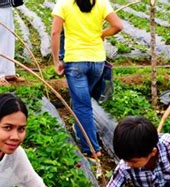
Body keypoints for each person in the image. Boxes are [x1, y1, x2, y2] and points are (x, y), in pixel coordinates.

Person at [51, 0, 122, 157]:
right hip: (97, 62)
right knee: (83, 101)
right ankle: (80, 131)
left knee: (82, 105)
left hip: (75, 62)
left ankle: (92, 149)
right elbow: (118, 26)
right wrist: (102, 34)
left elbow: (55, 32)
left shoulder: (64, 3)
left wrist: (56, 60)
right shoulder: (101, 3)